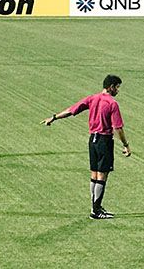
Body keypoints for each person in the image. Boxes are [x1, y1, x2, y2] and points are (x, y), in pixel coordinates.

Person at [40, 75, 131, 220]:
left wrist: (54, 117)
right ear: (111, 87)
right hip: (104, 140)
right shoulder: (112, 104)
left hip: (92, 140)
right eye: (117, 87)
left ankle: (95, 207)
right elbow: (118, 128)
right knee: (102, 175)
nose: (118, 91)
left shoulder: (92, 98)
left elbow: (71, 110)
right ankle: (96, 211)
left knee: (94, 174)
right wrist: (126, 145)